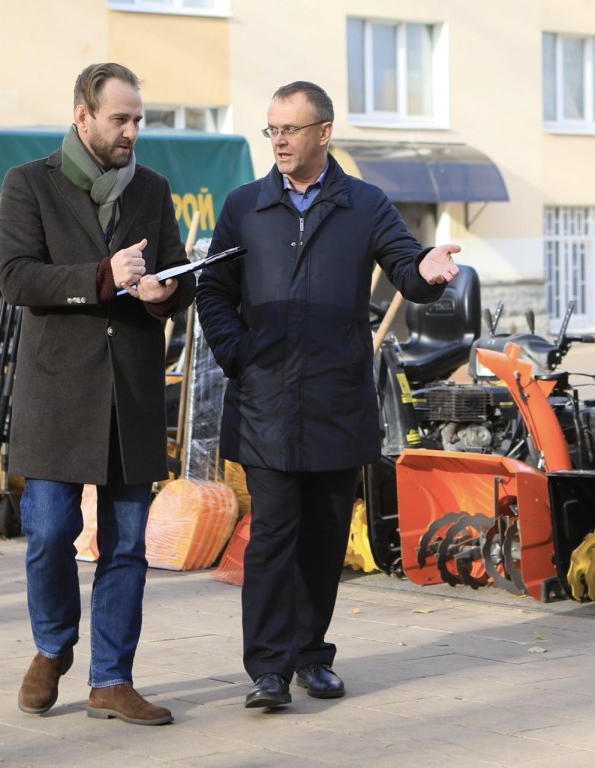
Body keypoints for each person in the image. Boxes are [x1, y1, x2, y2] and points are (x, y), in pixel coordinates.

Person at [196, 81, 460, 709]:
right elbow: (212, 291)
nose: (279, 141)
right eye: (272, 130)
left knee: (323, 537)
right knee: (272, 536)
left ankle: (312, 656)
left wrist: (423, 273)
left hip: (338, 402)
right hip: (265, 403)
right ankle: (267, 669)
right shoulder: (244, 206)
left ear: (324, 132)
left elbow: (405, 263)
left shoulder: (365, 204)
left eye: (291, 129)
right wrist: (239, 355)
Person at [0, 62, 194, 726]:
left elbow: (177, 273)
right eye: (121, 119)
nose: (133, 131)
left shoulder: (154, 189)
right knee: (50, 533)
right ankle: (52, 648)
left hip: (132, 394)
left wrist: (168, 293)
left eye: (139, 119)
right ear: (84, 117)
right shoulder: (30, 184)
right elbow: (18, 280)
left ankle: (111, 680)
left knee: (128, 545)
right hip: (56, 396)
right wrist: (103, 276)